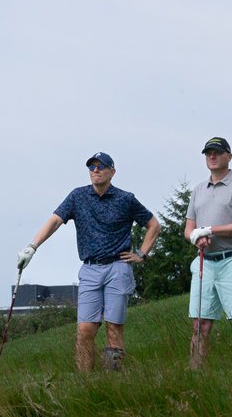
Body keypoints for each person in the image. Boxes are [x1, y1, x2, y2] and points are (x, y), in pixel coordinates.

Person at [17, 152, 160, 372]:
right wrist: (32, 247)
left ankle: (113, 379)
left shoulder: (126, 199)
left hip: (118, 267)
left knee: (114, 327)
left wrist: (141, 253)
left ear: (112, 172)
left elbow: (153, 225)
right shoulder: (78, 197)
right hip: (90, 268)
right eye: (92, 167)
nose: (95, 171)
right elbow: (55, 221)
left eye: (101, 167)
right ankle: (85, 382)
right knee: (85, 330)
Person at [185, 137, 232, 370]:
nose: (212, 156)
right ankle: (196, 375)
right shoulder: (198, 190)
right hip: (204, 262)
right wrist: (197, 237)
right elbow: (188, 229)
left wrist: (210, 230)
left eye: (217, 152)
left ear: (229, 156)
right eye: (208, 153)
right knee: (200, 325)